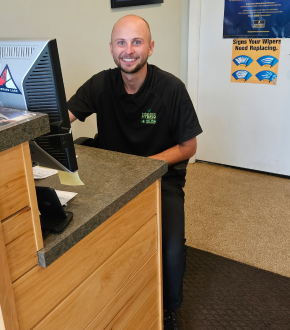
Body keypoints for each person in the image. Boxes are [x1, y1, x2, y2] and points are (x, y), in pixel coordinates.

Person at [67, 15, 202, 330]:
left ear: (151, 47)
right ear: (112, 48)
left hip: (160, 179)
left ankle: (169, 310)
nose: (129, 50)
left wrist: (145, 167)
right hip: (111, 178)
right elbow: (62, 117)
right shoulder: (101, 83)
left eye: (137, 42)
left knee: (170, 247)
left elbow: (188, 146)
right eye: (121, 42)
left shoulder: (171, 89)